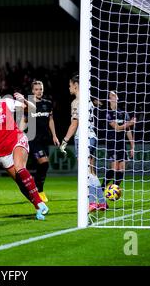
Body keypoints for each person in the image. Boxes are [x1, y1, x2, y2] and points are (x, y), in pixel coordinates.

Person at [0, 81, 49, 220]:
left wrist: (24, 100)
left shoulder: (5, 103)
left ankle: (39, 202)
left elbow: (32, 108)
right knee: (21, 183)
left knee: (20, 168)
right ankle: (38, 207)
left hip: (17, 140)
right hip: (2, 152)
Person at [59, 74, 107, 212]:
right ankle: (102, 202)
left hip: (83, 137)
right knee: (92, 172)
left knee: (85, 172)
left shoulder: (77, 101)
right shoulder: (89, 100)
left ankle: (92, 202)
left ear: (75, 85)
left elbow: (75, 123)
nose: (69, 88)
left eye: (70, 85)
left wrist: (65, 141)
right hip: (92, 137)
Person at [23, 81, 60, 203]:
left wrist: (54, 136)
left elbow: (51, 120)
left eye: (41, 89)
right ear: (32, 91)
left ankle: (35, 186)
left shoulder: (47, 104)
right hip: (32, 138)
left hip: (45, 138)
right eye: (37, 89)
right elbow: (24, 120)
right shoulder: (28, 105)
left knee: (42, 165)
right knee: (44, 162)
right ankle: (40, 190)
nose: (39, 91)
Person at [103, 91, 136, 190]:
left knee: (121, 169)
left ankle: (114, 189)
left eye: (114, 95)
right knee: (114, 169)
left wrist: (132, 147)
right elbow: (117, 128)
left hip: (122, 144)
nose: (113, 97)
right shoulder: (108, 113)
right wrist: (130, 123)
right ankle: (102, 188)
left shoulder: (123, 113)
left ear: (117, 98)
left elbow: (128, 131)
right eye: (111, 96)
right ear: (109, 99)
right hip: (112, 144)